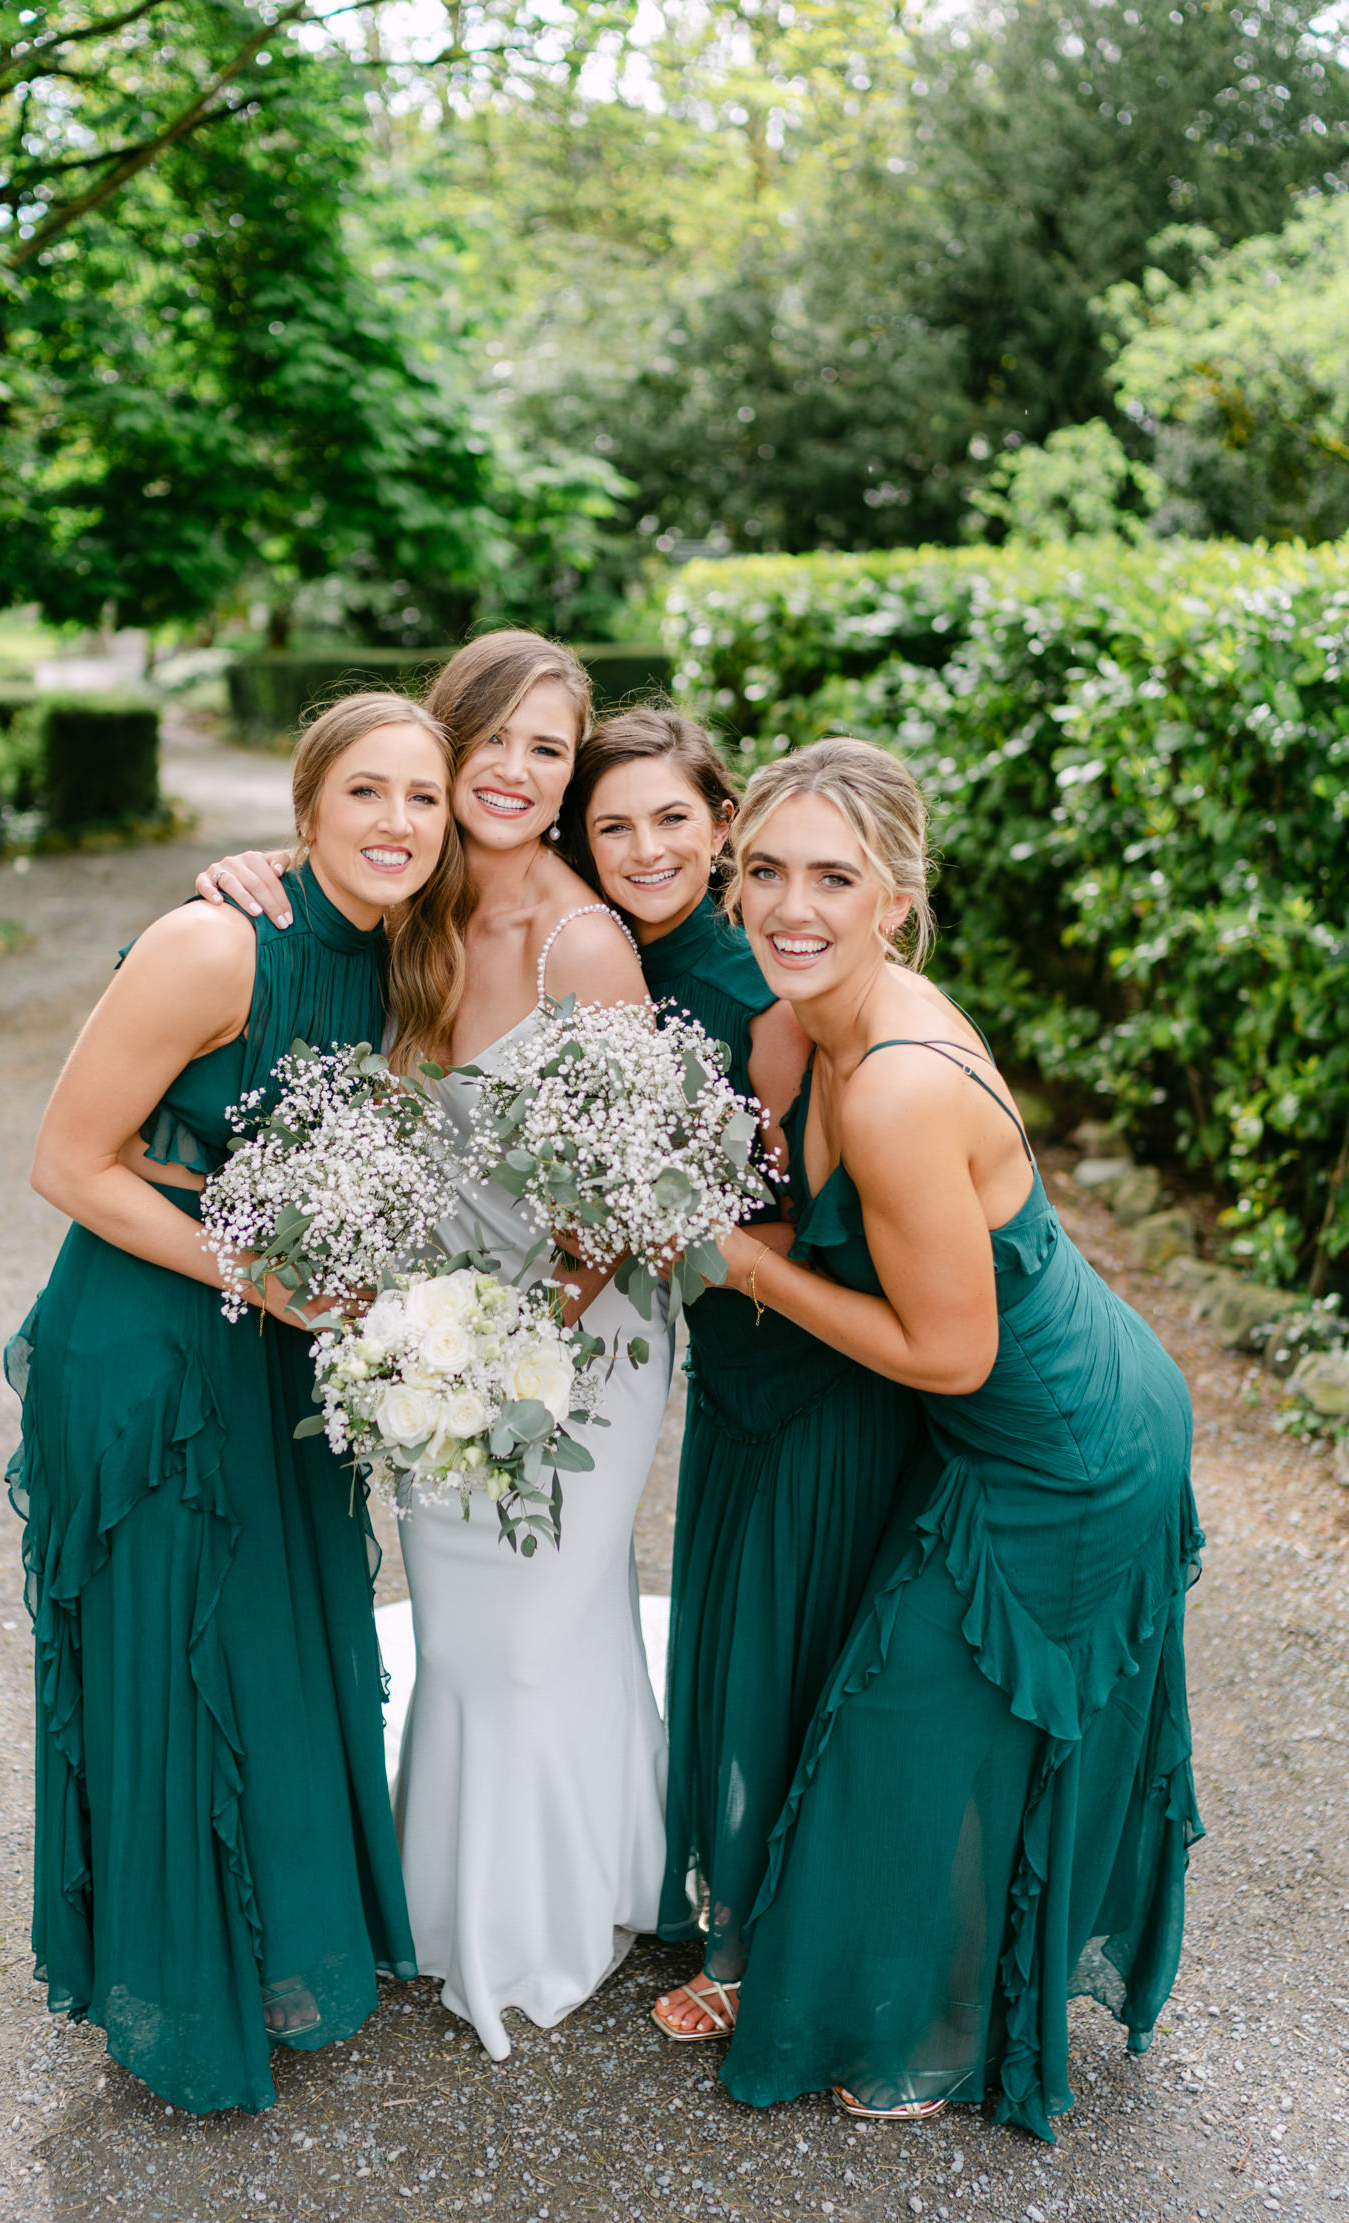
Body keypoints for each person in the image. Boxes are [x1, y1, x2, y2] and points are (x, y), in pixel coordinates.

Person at [705, 736, 1201, 2134]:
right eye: (767, 872)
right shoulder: (808, 1016)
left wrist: (741, 1264)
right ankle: (938, 1987)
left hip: (1068, 1446)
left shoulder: (900, 1082)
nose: (792, 906)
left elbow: (950, 1350)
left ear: (898, 899)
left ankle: (936, 2025)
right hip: (1022, 1417)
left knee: (907, 1724)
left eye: (833, 878)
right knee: (915, 1718)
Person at [197, 632, 672, 2061]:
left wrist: (506, 1349)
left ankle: (540, 1923)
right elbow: (301, 895)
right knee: (474, 1636)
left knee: (523, 1632)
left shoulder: (584, 943)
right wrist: (235, 876)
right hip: (428, 1334)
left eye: (553, 746)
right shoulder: (405, 908)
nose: (521, 771)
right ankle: (490, 1886)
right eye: (499, 740)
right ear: (448, 746)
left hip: (573, 1346)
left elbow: (632, 1197)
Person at [8, 692, 458, 2113]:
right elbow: (70, 1162)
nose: (398, 822)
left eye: (423, 799)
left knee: (272, 1640)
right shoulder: (216, 939)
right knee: (170, 1653)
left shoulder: (402, 965)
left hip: (275, 1347)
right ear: (307, 805)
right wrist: (256, 1275)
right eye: (369, 792)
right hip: (148, 1352)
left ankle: (272, 1933)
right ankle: (172, 1984)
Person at [561, 705, 925, 2043]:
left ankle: (762, 1941)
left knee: (789, 1647)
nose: (648, 845)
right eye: (615, 823)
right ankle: (743, 1907)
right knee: (732, 1640)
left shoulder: (769, 999)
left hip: (806, 1367)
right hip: (732, 1368)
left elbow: (805, 1213)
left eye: (675, 817)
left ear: (721, 829)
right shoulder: (611, 960)